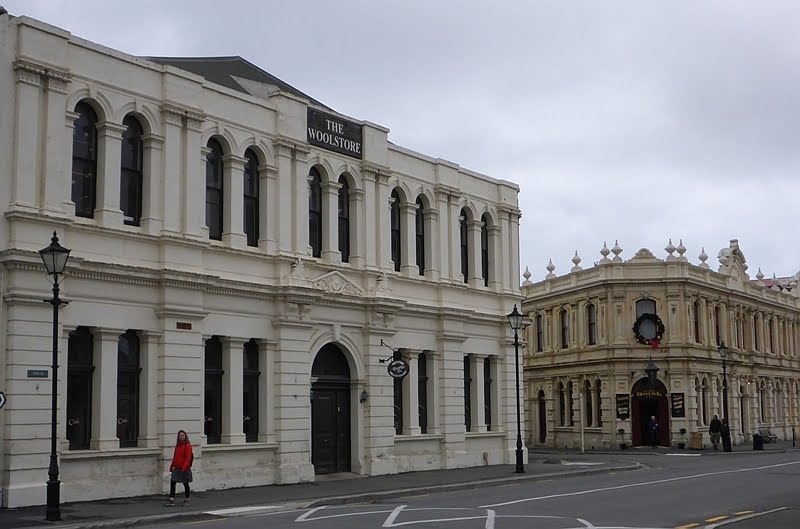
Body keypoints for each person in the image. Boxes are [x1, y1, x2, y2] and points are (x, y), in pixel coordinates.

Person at [166, 430, 193, 507]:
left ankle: (187, 499)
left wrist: (184, 467)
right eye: (180, 436)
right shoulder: (177, 446)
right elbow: (175, 457)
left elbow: (188, 458)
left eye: (183, 435)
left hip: (184, 468)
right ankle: (171, 499)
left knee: (185, 483)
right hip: (177, 468)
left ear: (185, 436)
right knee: (173, 482)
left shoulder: (187, 445)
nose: (181, 437)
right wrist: (172, 465)